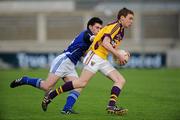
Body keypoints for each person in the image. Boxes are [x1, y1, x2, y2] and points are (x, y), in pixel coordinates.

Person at [42, 7, 134, 115]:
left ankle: (111, 106)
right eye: (130, 18)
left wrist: (119, 56)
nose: (131, 21)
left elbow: (110, 47)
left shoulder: (121, 32)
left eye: (132, 19)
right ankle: (51, 95)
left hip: (102, 58)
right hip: (94, 56)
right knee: (81, 82)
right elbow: (105, 43)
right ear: (122, 18)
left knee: (120, 80)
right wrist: (119, 54)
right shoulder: (116, 26)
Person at [10, 17, 103, 114]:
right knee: (47, 86)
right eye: (97, 28)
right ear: (90, 27)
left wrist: (88, 59)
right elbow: (93, 39)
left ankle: (66, 109)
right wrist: (105, 38)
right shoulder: (87, 34)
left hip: (70, 64)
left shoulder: (88, 39)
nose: (99, 30)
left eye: (101, 28)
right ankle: (25, 80)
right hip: (64, 60)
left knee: (78, 86)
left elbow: (81, 54)